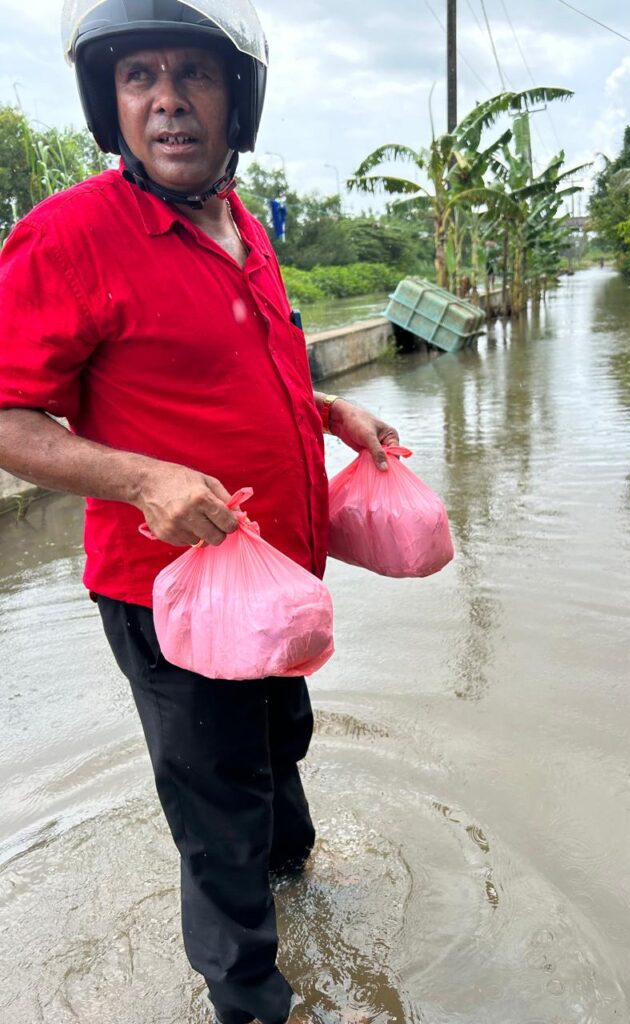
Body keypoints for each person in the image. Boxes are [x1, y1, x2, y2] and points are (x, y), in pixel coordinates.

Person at [0, 2, 398, 1022]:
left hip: (271, 581)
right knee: (217, 804)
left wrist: (329, 409)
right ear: (111, 101)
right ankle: (254, 999)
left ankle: (298, 879)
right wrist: (142, 481)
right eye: (140, 77)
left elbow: (242, 368)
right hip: (169, 593)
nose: (167, 100)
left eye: (193, 75)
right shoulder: (72, 235)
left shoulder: (243, 222)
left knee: (279, 745)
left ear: (239, 97)